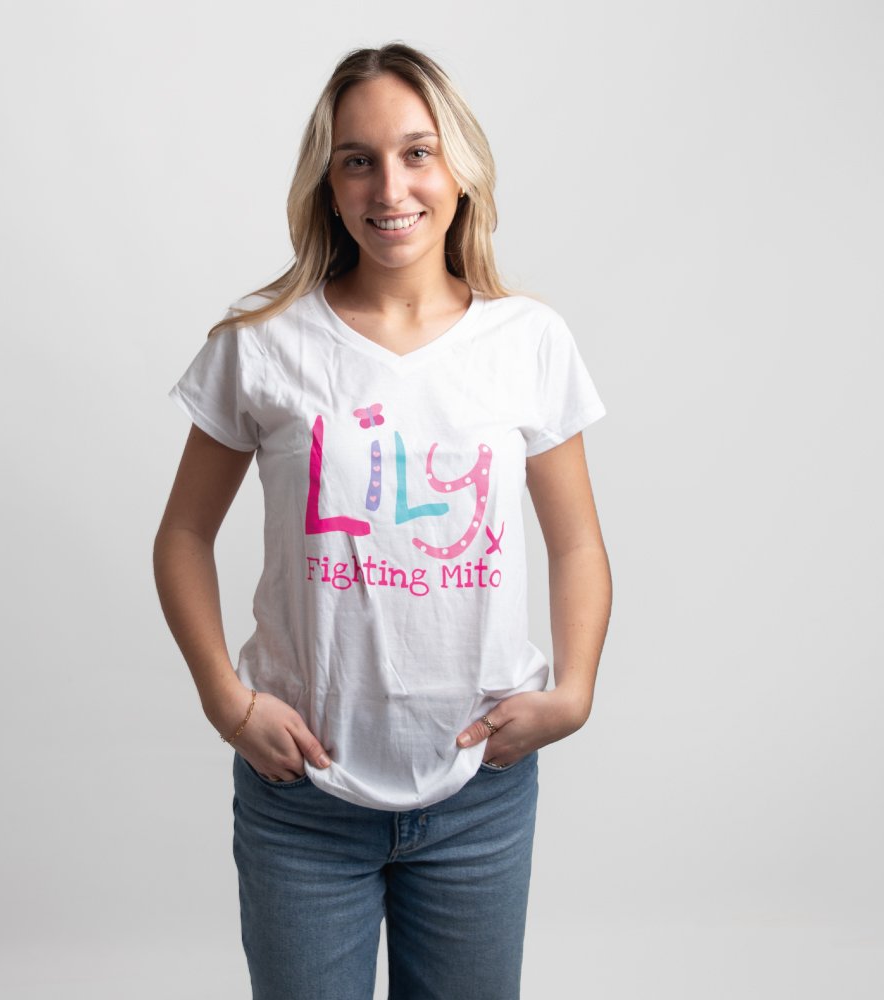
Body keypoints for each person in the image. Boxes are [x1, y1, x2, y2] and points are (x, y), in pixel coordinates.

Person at [153, 41, 611, 1000]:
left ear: (460, 171)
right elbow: (182, 537)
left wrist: (574, 692)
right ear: (328, 183)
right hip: (301, 800)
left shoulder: (526, 341)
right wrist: (225, 700)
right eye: (357, 158)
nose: (389, 185)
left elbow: (574, 541)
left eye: (416, 152)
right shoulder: (264, 343)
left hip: (479, 793)